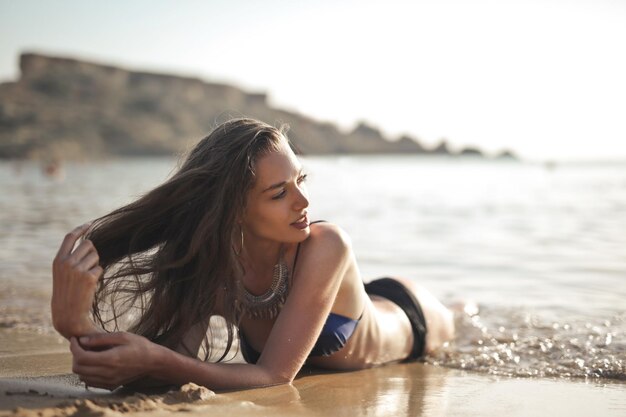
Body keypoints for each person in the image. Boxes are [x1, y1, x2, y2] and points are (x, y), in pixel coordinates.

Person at [51, 118, 455, 391]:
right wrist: (73, 323)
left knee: (462, 323)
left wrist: (157, 360)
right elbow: (158, 367)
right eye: (279, 193)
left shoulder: (325, 244)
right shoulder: (209, 266)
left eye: (300, 180)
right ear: (233, 209)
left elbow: (274, 376)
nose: (303, 201)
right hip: (334, 297)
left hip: (414, 318)